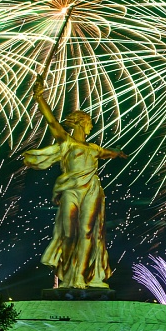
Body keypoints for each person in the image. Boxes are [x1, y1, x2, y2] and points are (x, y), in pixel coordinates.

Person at [23, 76, 126, 289]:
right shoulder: (67, 142)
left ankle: (80, 276)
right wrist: (39, 98)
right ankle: (69, 274)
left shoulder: (94, 148)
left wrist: (116, 153)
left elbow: (108, 153)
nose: (91, 126)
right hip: (71, 188)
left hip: (91, 189)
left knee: (87, 231)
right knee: (70, 232)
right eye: (89, 123)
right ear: (81, 122)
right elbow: (51, 120)